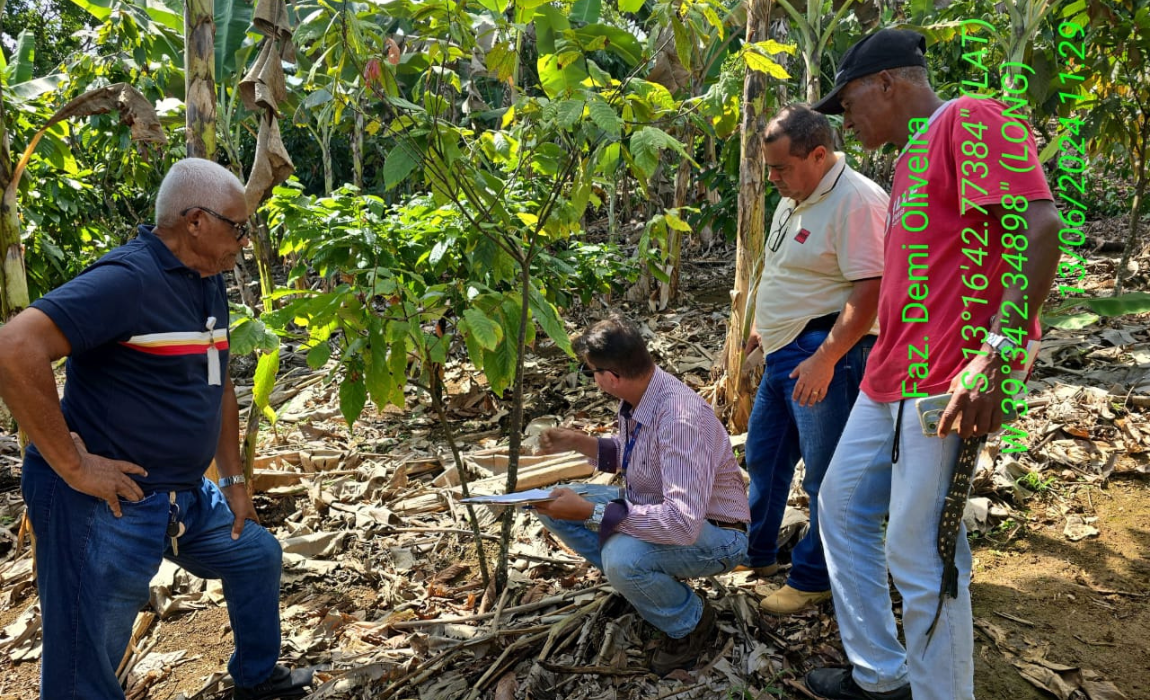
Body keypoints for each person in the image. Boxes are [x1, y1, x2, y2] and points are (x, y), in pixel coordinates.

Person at [806, 29, 1061, 700]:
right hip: (890, 375)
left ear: (887, 83)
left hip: (946, 378)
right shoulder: (907, 161)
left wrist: (997, 354)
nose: (846, 119)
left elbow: (1040, 226)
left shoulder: (968, 119)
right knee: (837, 507)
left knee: (920, 555)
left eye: (849, 101)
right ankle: (882, 675)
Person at [0, 159, 313, 700]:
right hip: (107, 504)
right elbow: (14, 348)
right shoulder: (127, 280)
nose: (246, 240)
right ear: (195, 221)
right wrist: (73, 465)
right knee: (87, 661)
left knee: (256, 554)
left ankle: (258, 678)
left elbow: (220, 388)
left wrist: (234, 482)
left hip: (183, 496)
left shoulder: (206, 282)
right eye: (237, 227)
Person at [532, 315, 750, 675]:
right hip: (659, 513)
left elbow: (682, 524)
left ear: (611, 378)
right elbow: (636, 455)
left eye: (591, 374)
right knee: (552, 504)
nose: (593, 381)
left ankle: (691, 621)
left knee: (621, 559)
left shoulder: (680, 420)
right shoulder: (643, 395)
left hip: (716, 535)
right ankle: (645, 586)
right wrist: (577, 442)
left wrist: (592, 511)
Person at [741, 104, 887, 615]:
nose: (775, 178)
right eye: (771, 168)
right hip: (784, 350)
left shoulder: (856, 201)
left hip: (825, 353)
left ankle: (813, 577)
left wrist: (826, 358)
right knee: (764, 456)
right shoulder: (796, 195)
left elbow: (872, 288)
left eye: (782, 167)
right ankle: (756, 551)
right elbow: (790, 268)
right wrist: (763, 326)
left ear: (819, 154)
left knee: (828, 472)